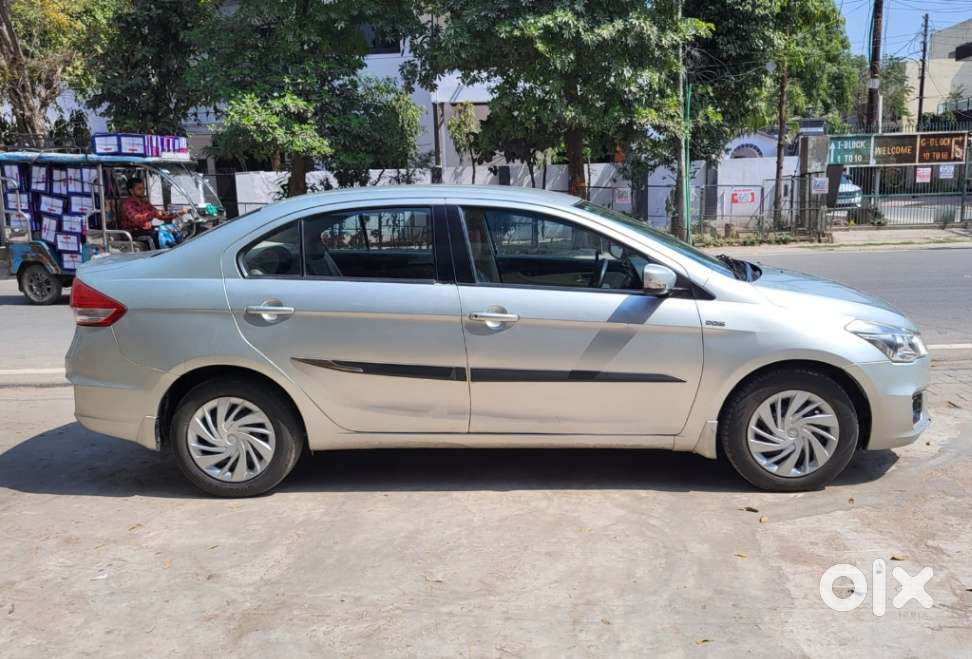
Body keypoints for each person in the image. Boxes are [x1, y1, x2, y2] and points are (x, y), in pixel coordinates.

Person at [119, 178, 185, 249]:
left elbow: (160, 216)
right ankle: (165, 252)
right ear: (131, 191)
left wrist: (178, 213)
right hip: (134, 232)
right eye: (139, 189)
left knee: (172, 228)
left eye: (143, 188)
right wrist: (154, 213)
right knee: (161, 231)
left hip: (146, 230)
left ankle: (179, 248)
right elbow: (137, 219)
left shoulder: (145, 202)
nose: (143, 191)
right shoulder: (128, 204)